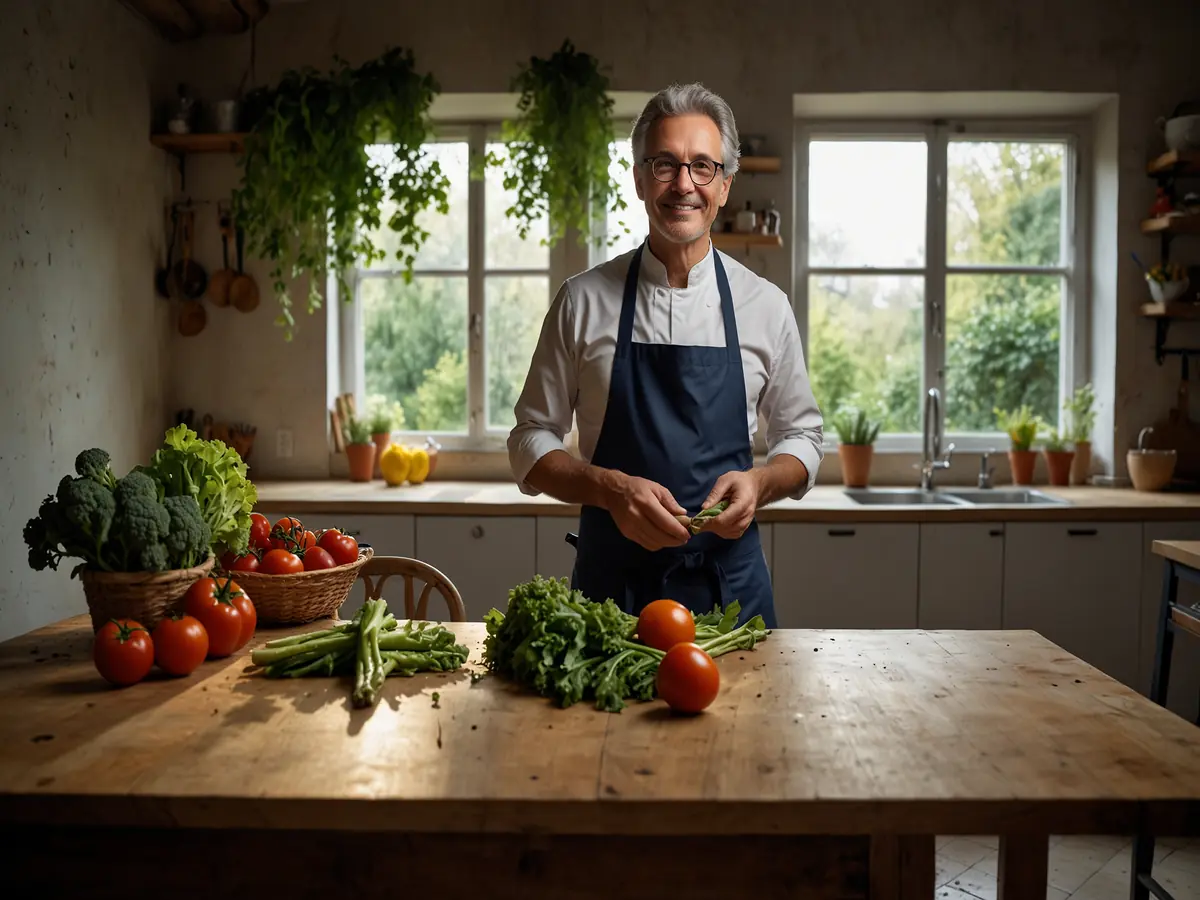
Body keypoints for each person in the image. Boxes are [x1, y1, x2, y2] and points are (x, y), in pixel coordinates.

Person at [506, 82, 823, 629]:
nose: (683, 184)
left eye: (702, 166)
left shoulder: (766, 306)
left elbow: (803, 438)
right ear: (638, 179)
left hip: (731, 598)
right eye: (664, 164)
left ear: (724, 185)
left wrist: (759, 484)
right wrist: (609, 489)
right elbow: (529, 440)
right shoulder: (582, 300)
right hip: (610, 602)